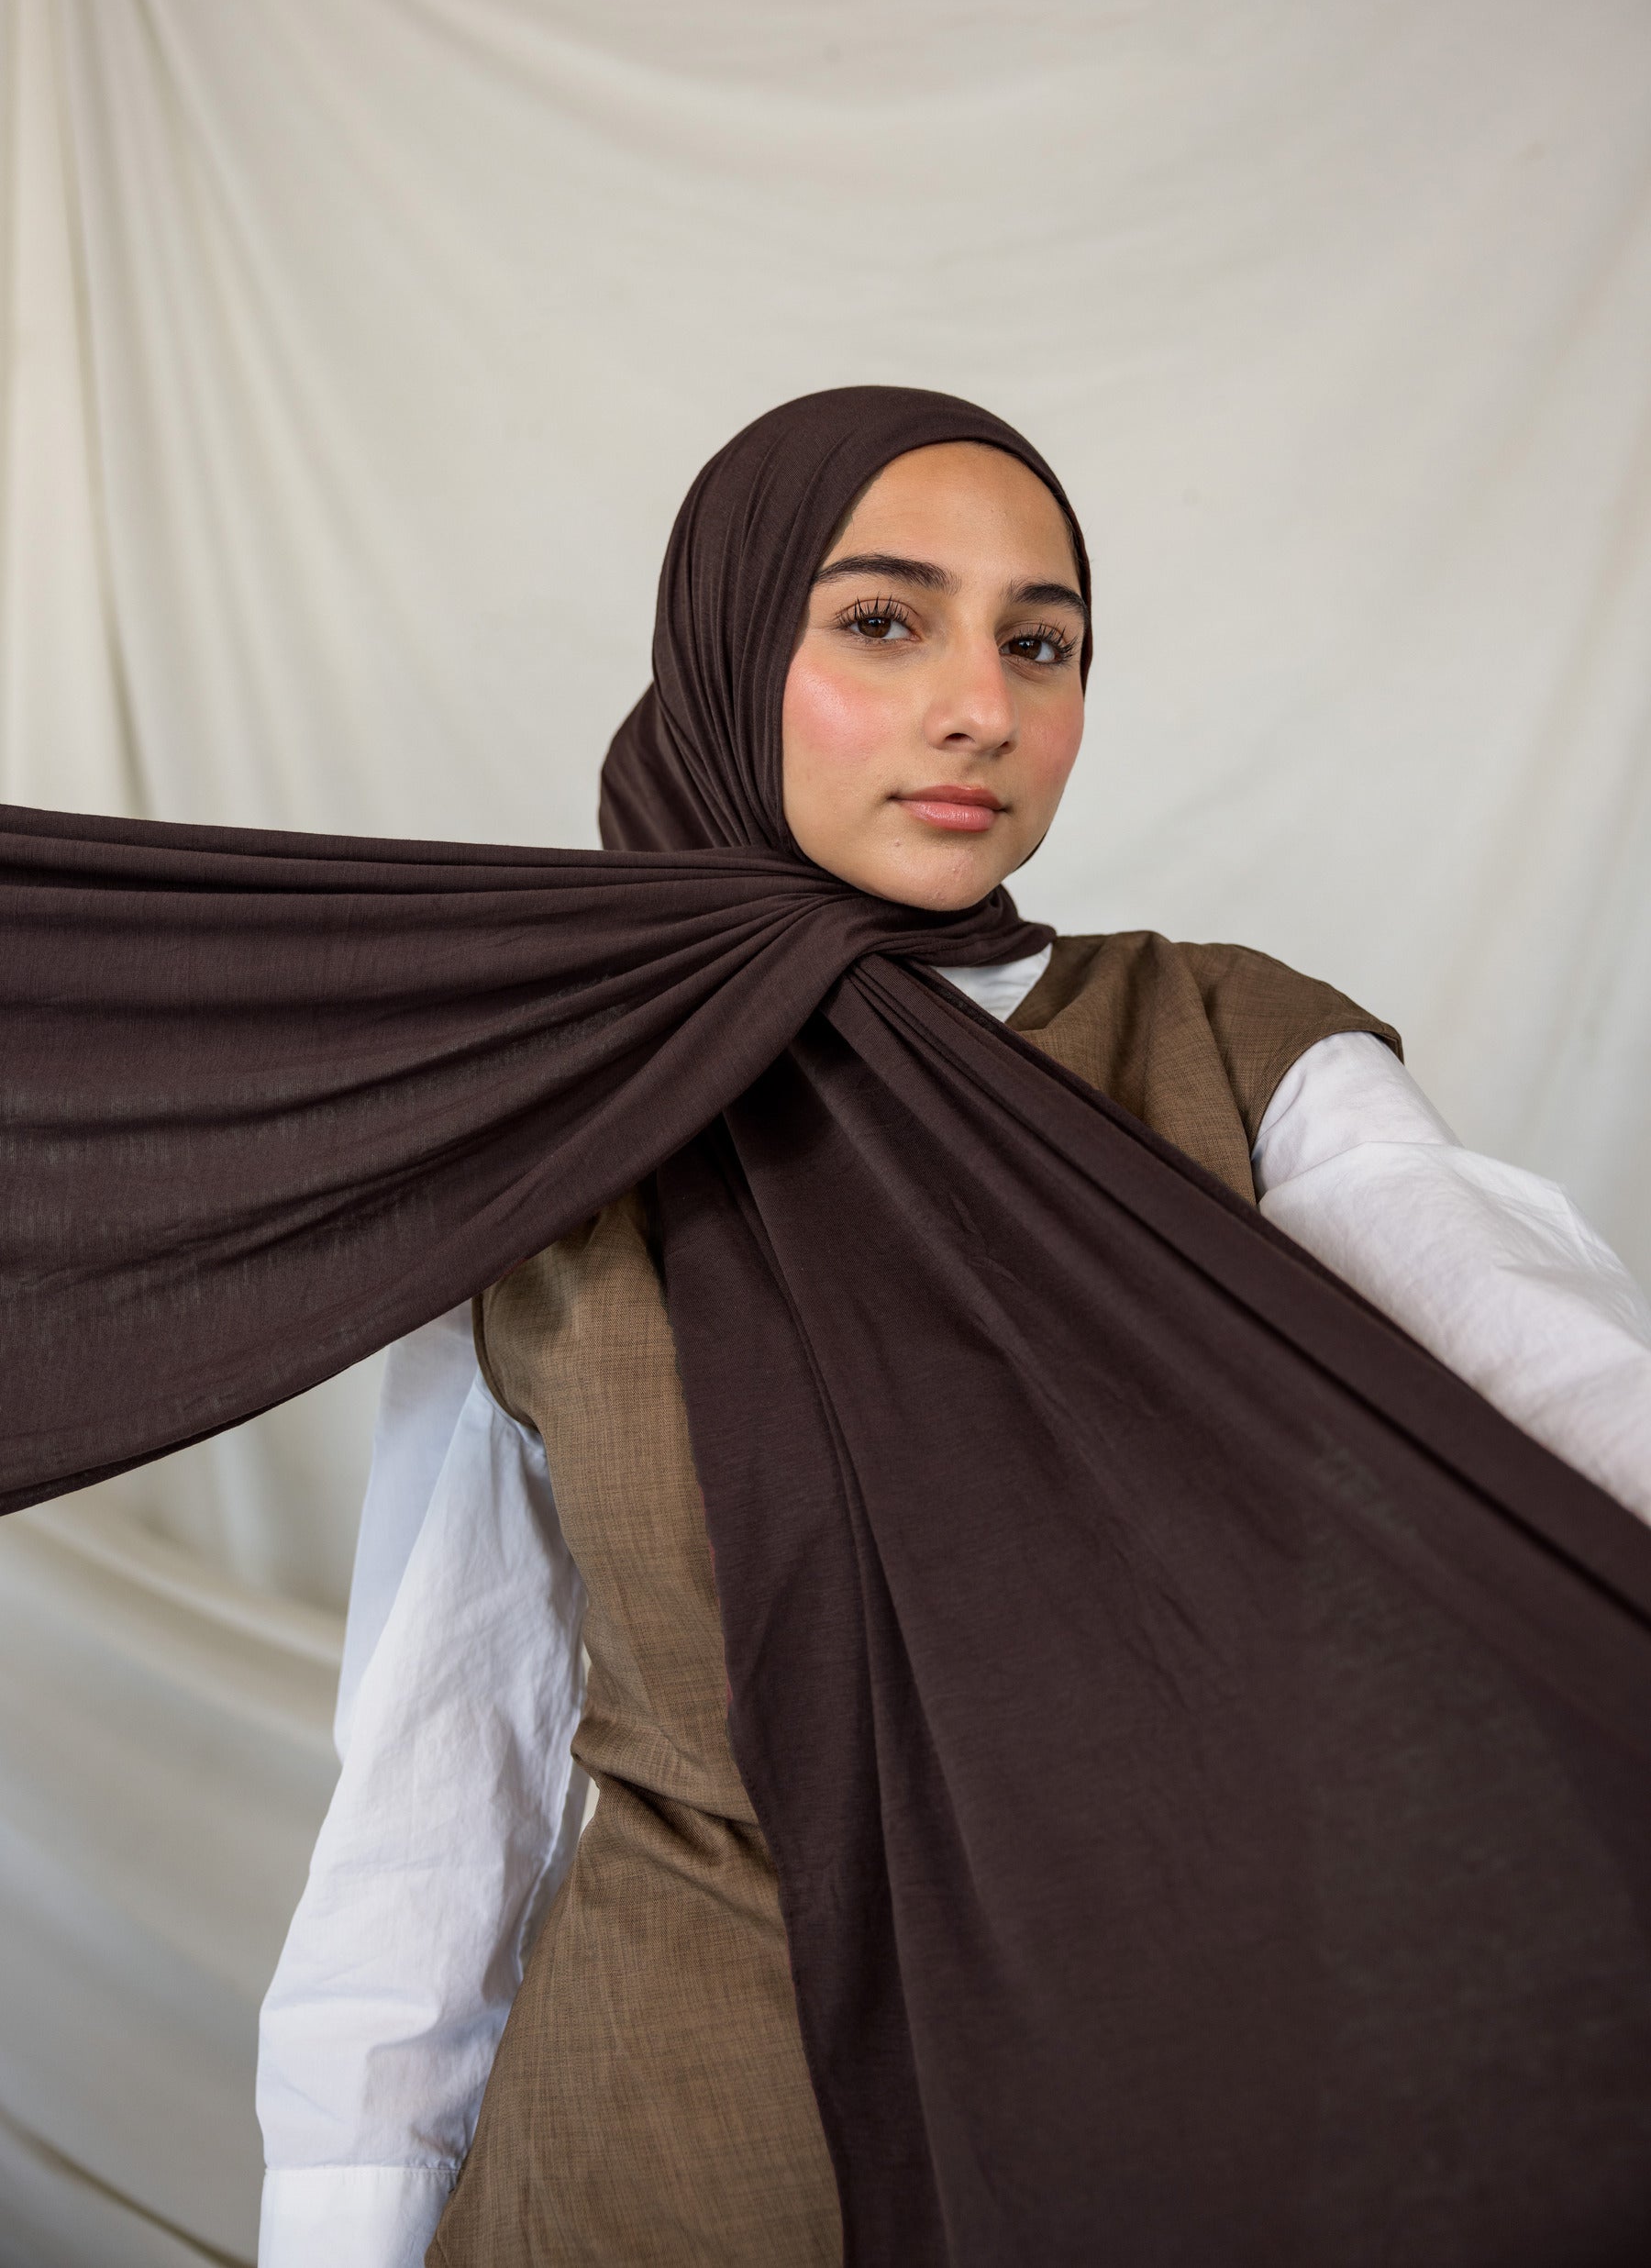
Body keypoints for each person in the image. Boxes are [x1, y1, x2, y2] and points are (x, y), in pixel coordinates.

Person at [242, 398, 1651, 2268]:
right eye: (884, 622)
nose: (981, 706)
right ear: (730, 654)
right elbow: (438, 1793)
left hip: (1154, 2158)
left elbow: (1556, 1376)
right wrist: (338, 2232)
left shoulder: (1226, 1054)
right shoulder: (561, 1134)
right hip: (661, 2181)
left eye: (1040, 644)